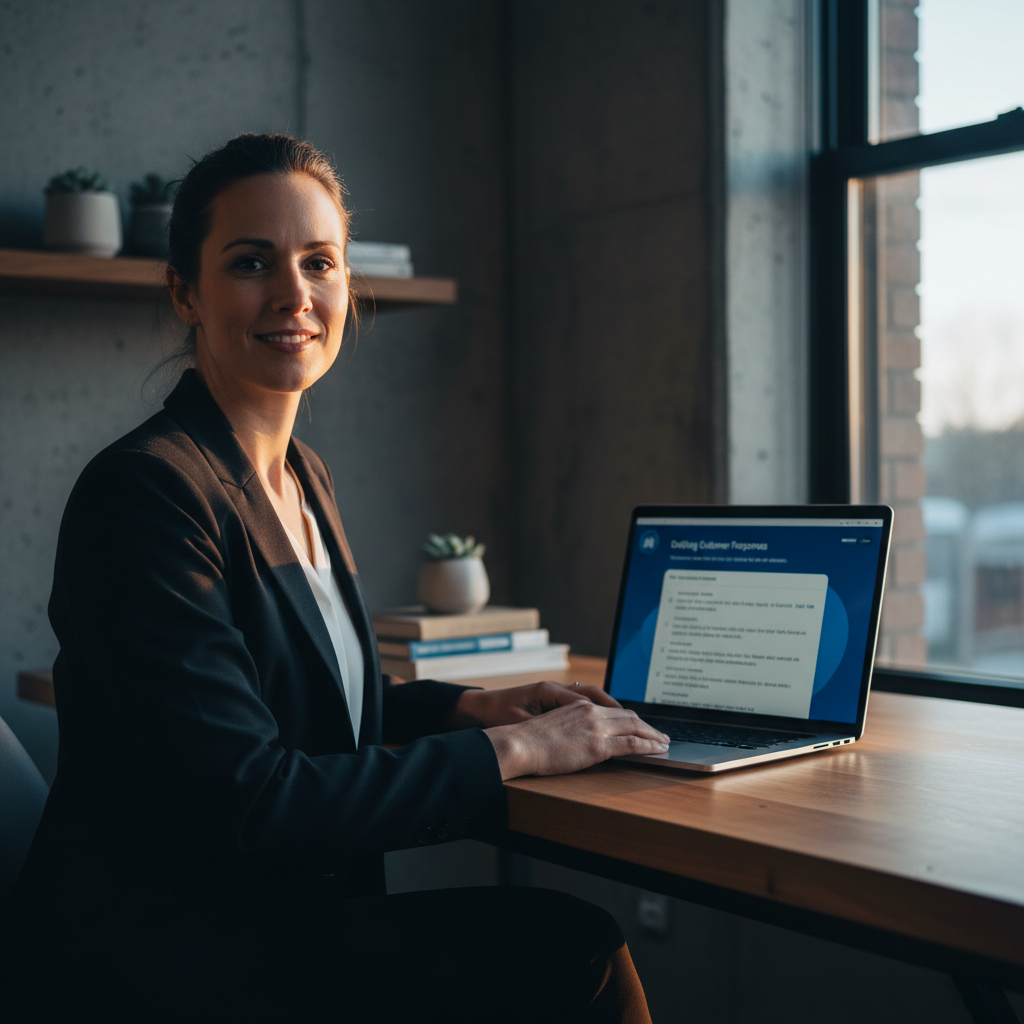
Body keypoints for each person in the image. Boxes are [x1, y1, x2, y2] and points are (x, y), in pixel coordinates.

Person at [3, 134, 670, 1023]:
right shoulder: (146, 492)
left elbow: (295, 695)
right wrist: (519, 751)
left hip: (280, 918)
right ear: (184, 292)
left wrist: (471, 709)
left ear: (348, 288)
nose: (293, 294)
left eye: (320, 262)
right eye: (251, 262)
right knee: (577, 951)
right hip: (169, 954)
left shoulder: (303, 477)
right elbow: (253, 796)